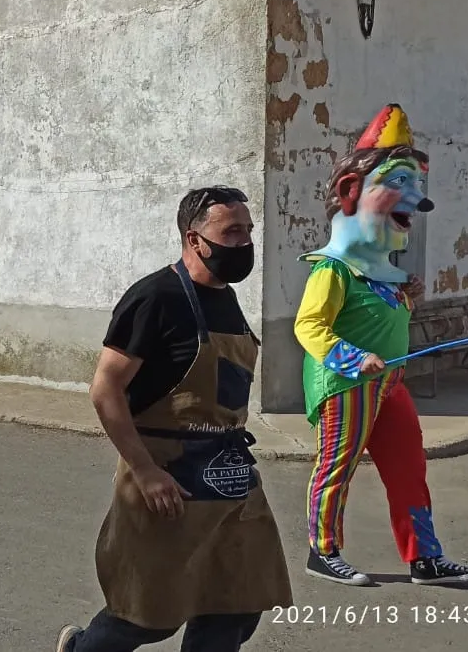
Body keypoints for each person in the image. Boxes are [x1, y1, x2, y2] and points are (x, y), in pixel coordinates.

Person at [55, 187, 292, 652]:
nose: (244, 243)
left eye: (248, 231)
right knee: (148, 615)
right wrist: (145, 471)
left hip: (229, 477)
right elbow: (106, 389)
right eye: (232, 232)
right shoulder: (155, 298)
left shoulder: (227, 298)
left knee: (236, 604)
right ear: (194, 239)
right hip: (167, 479)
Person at [294, 104, 468, 586]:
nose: (418, 201)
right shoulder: (331, 268)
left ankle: (424, 557)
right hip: (346, 381)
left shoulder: (382, 270)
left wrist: (405, 299)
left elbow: (376, 316)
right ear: (349, 191)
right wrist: (354, 357)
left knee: (409, 468)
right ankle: (323, 549)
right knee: (337, 467)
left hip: (389, 380)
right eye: (401, 182)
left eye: (418, 186)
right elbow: (309, 326)